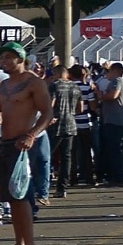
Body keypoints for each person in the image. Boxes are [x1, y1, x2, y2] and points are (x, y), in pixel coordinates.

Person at [0, 42, 53, 245]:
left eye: (8, 57)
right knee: (12, 198)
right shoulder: (4, 84)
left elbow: (47, 112)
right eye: (2, 58)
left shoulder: (34, 83)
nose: (4, 62)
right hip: (5, 143)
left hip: (24, 144)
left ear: (20, 58)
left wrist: (32, 135)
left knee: (22, 196)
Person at [49, 63, 83, 197]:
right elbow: (80, 108)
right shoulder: (75, 86)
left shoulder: (54, 86)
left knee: (48, 156)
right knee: (66, 158)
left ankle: (43, 187)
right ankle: (62, 188)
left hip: (56, 124)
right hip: (71, 124)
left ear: (56, 74)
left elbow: (50, 104)